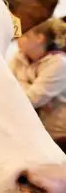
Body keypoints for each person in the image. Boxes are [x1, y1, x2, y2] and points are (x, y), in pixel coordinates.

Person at [10, 17, 66, 151]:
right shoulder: (19, 57)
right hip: (34, 132)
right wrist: (27, 87)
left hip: (59, 136)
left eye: (24, 35)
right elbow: (4, 85)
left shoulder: (59, 63)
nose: (18, 38)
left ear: (39, 38)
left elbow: (32, 100)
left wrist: (19, 85)